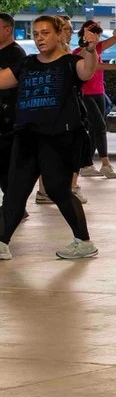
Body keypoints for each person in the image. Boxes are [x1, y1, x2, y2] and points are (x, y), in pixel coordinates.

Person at [0, 15, 104, 261]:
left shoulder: (70, 63)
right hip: (26, 135)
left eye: (45, 33)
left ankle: (83, 241)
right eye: (36, 34)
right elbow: (2, 80)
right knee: (15, 191)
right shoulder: (26, 63)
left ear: (59, 35)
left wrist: (91, 50)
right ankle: (2, 242)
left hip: (60, 137)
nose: (40, 38)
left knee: (58, 190)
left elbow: (87, 71)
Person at [74, 21, 116, 181]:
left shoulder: (98, 47)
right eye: (91, 32)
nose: (95, 36)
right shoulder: (77, 52)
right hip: (85, 93)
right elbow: (94, 65)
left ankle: (86, 164)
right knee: (100, 126)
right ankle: (105, 163)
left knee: (96, 129)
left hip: (99, 92)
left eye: (96, 33)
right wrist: (114, 67)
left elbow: (115, 39)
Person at [0, 13, 24, 214]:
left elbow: (10, 83)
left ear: (8, 30)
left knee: (8, 166)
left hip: (8, 120)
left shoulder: (16, 54)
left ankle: (14, 207)